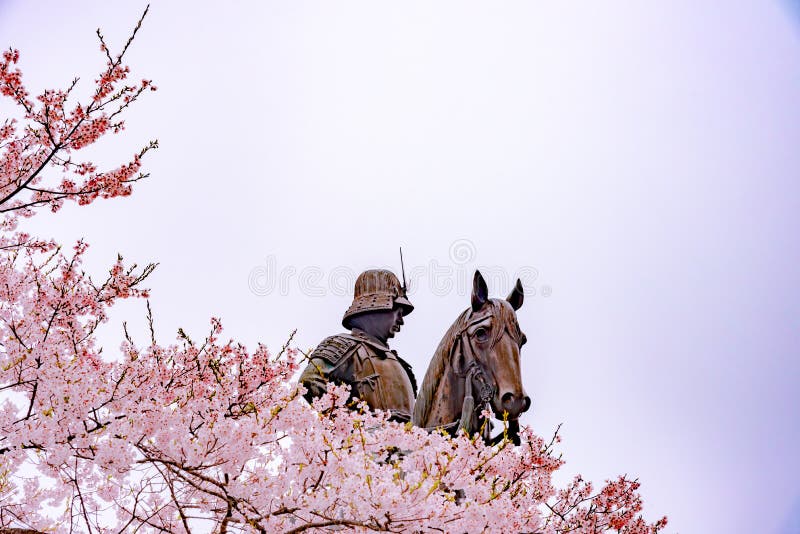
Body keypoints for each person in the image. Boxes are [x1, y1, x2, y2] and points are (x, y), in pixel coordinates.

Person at [299, 269, 417, 423]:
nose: (401, 321)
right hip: (364, 442)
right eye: (398, 313)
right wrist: (350, 423)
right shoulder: (345, 345)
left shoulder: (400, 365)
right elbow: (309, 381)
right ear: (380, 307)